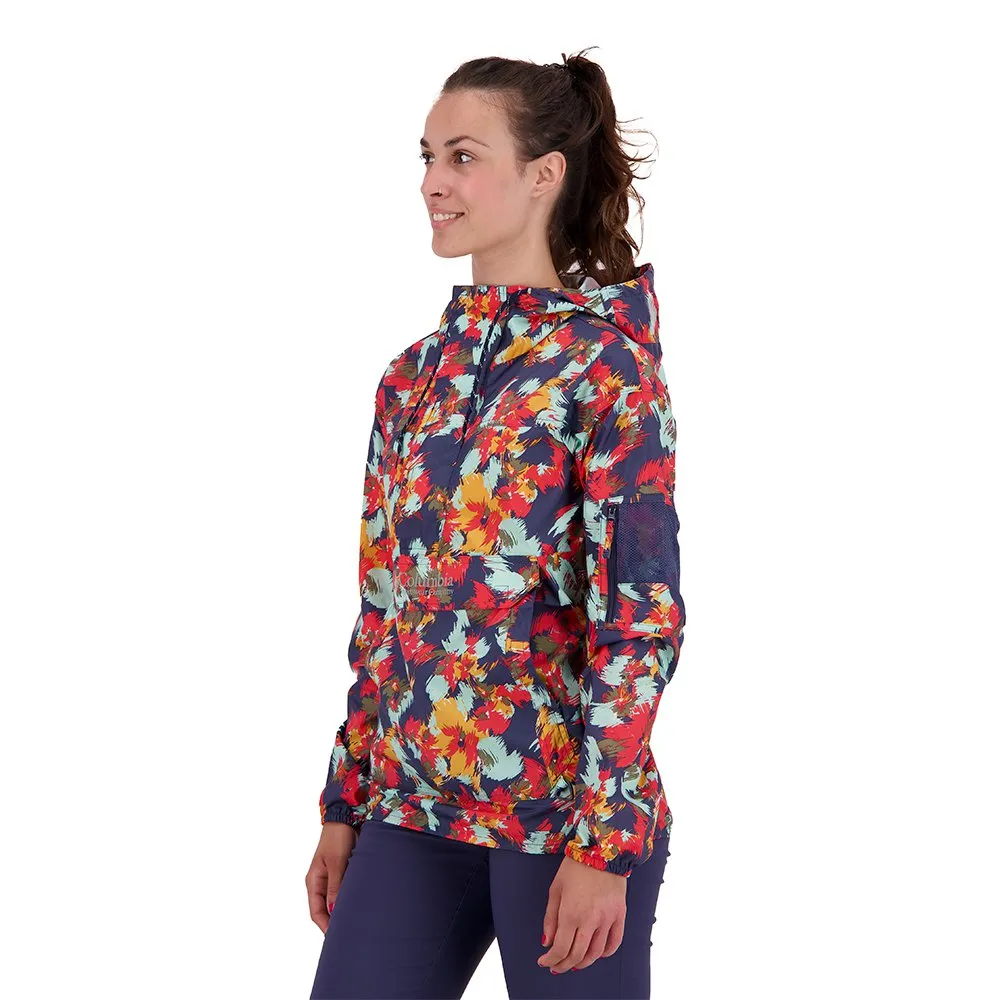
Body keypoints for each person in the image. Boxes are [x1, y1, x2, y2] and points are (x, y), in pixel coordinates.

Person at [305, 46, 686, 1000]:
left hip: (563, 821)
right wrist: (346, 800)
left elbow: (638, 620)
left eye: (463, 157)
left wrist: (604, 842)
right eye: (428, 157)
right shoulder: (411, 379)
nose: (433, 183)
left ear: (544, 175)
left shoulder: (607, 370)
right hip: (413, 809)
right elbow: (384, 609)